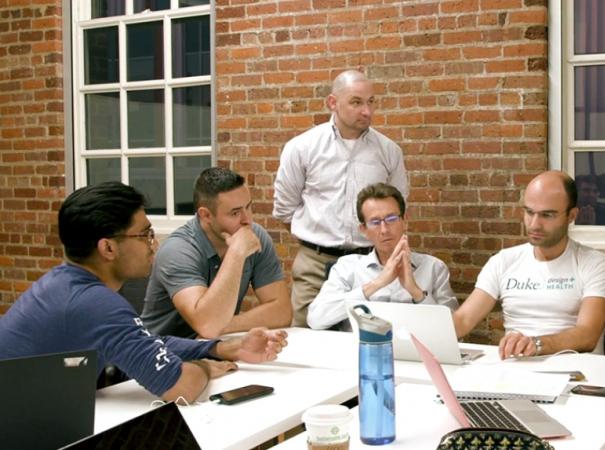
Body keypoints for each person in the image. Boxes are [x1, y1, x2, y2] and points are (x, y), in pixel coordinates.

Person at [0, 182, 289, 403]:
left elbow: (144, 342)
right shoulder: (95, 303)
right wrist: (201, 366)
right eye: (145, 235)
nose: (153, 244)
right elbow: (182, 388)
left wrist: (223, 348)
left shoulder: (66, 285)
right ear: (108, 248)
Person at [273, 69, 409, 327]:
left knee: (366, 338)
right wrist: (318, 238)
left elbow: (397, 206)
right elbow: (284, 210)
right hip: (314, 263)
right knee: (306, 340)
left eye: (371, 102)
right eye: (356, 102)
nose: (367, 111)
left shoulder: (389, 151)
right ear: (332, 103)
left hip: (367, 263)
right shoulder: (302, 147)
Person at [453, 171, 605, 359]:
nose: (534, 224)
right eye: (529, 212)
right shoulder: (504, 261)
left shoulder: (595, 263)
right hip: (514, 370)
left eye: (547, 215)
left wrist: (535, 344)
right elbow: (463, 320)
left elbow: (587, 335)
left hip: (575, 373)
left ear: (572, 215)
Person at [141, 167, 291, 339]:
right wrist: (237, 253)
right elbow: (207, 325)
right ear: (205, 215)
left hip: (213, 347)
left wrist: (225, 325)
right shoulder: (178, 250)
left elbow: (282, 312)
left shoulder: (254, 236)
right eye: (235, 213)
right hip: (162, 354)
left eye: (248, 207)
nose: (247, 220)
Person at [307, 183, 458, 330]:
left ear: (404, 220)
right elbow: (316, 319)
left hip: (417, 353)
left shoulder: (434, 268)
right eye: (375, 222)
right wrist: (377, 283)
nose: (384, 229)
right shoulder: (347, 267)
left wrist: (415, 292)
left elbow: (454, 330)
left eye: (391, 219)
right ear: (363, 229)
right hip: (359, 351)